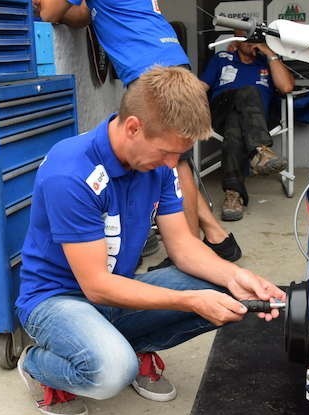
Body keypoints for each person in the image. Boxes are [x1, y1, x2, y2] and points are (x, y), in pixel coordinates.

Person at [15, 66, 285, 415]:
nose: (172, 164)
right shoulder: (71, 174)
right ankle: (38, 365)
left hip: (114, 291)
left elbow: (183, 245)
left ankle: (133, 343)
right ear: (133, 128)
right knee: (111, 371)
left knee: (229, 291)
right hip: (57, 299)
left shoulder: (157, 164)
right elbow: (95, 286)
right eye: (166, 152)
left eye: (180, 154)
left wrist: (237, 277)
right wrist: (189, 300)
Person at [33, 0, 242, 264]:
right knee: (178, 162)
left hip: (151, 65)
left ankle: (187, 252)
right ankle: (216, 236)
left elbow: (50, 11)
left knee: (175, 164)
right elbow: (83, 16)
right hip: (166, 58)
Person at [200, 28, 295, 221]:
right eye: (243, 38)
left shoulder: (268, 61)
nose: (249, 42)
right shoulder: (222, 58)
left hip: (256, 120)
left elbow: (286, 87)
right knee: (247, 93)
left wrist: (270, 54)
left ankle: (233, 195)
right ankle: (260, 151)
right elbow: (201, 87)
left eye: (254, 38)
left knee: (234, 127)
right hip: (221, 112)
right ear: (235, 39)